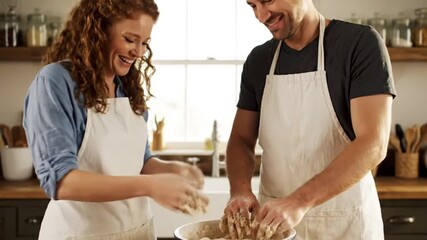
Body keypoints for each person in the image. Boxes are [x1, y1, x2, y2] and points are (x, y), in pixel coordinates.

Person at [23, 0, 207, 239]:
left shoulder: (128, 88)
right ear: (98, 31)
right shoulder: (56, 82)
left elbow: (137, 161)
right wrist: (151, 186)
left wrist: (171, 169)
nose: (139, 52)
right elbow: (61, 181)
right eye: (130, 39)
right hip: (79, 234)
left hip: (137, 232)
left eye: (144, 43)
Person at [221, 0, 395, 239]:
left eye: (267, 0)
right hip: (274, 228)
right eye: (252, 6)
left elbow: (373, 143)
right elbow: (241, 138)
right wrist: (240, 190)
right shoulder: (259, 61)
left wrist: (299, 201)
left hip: (344, 224)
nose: (261, 17)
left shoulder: (358, 44)